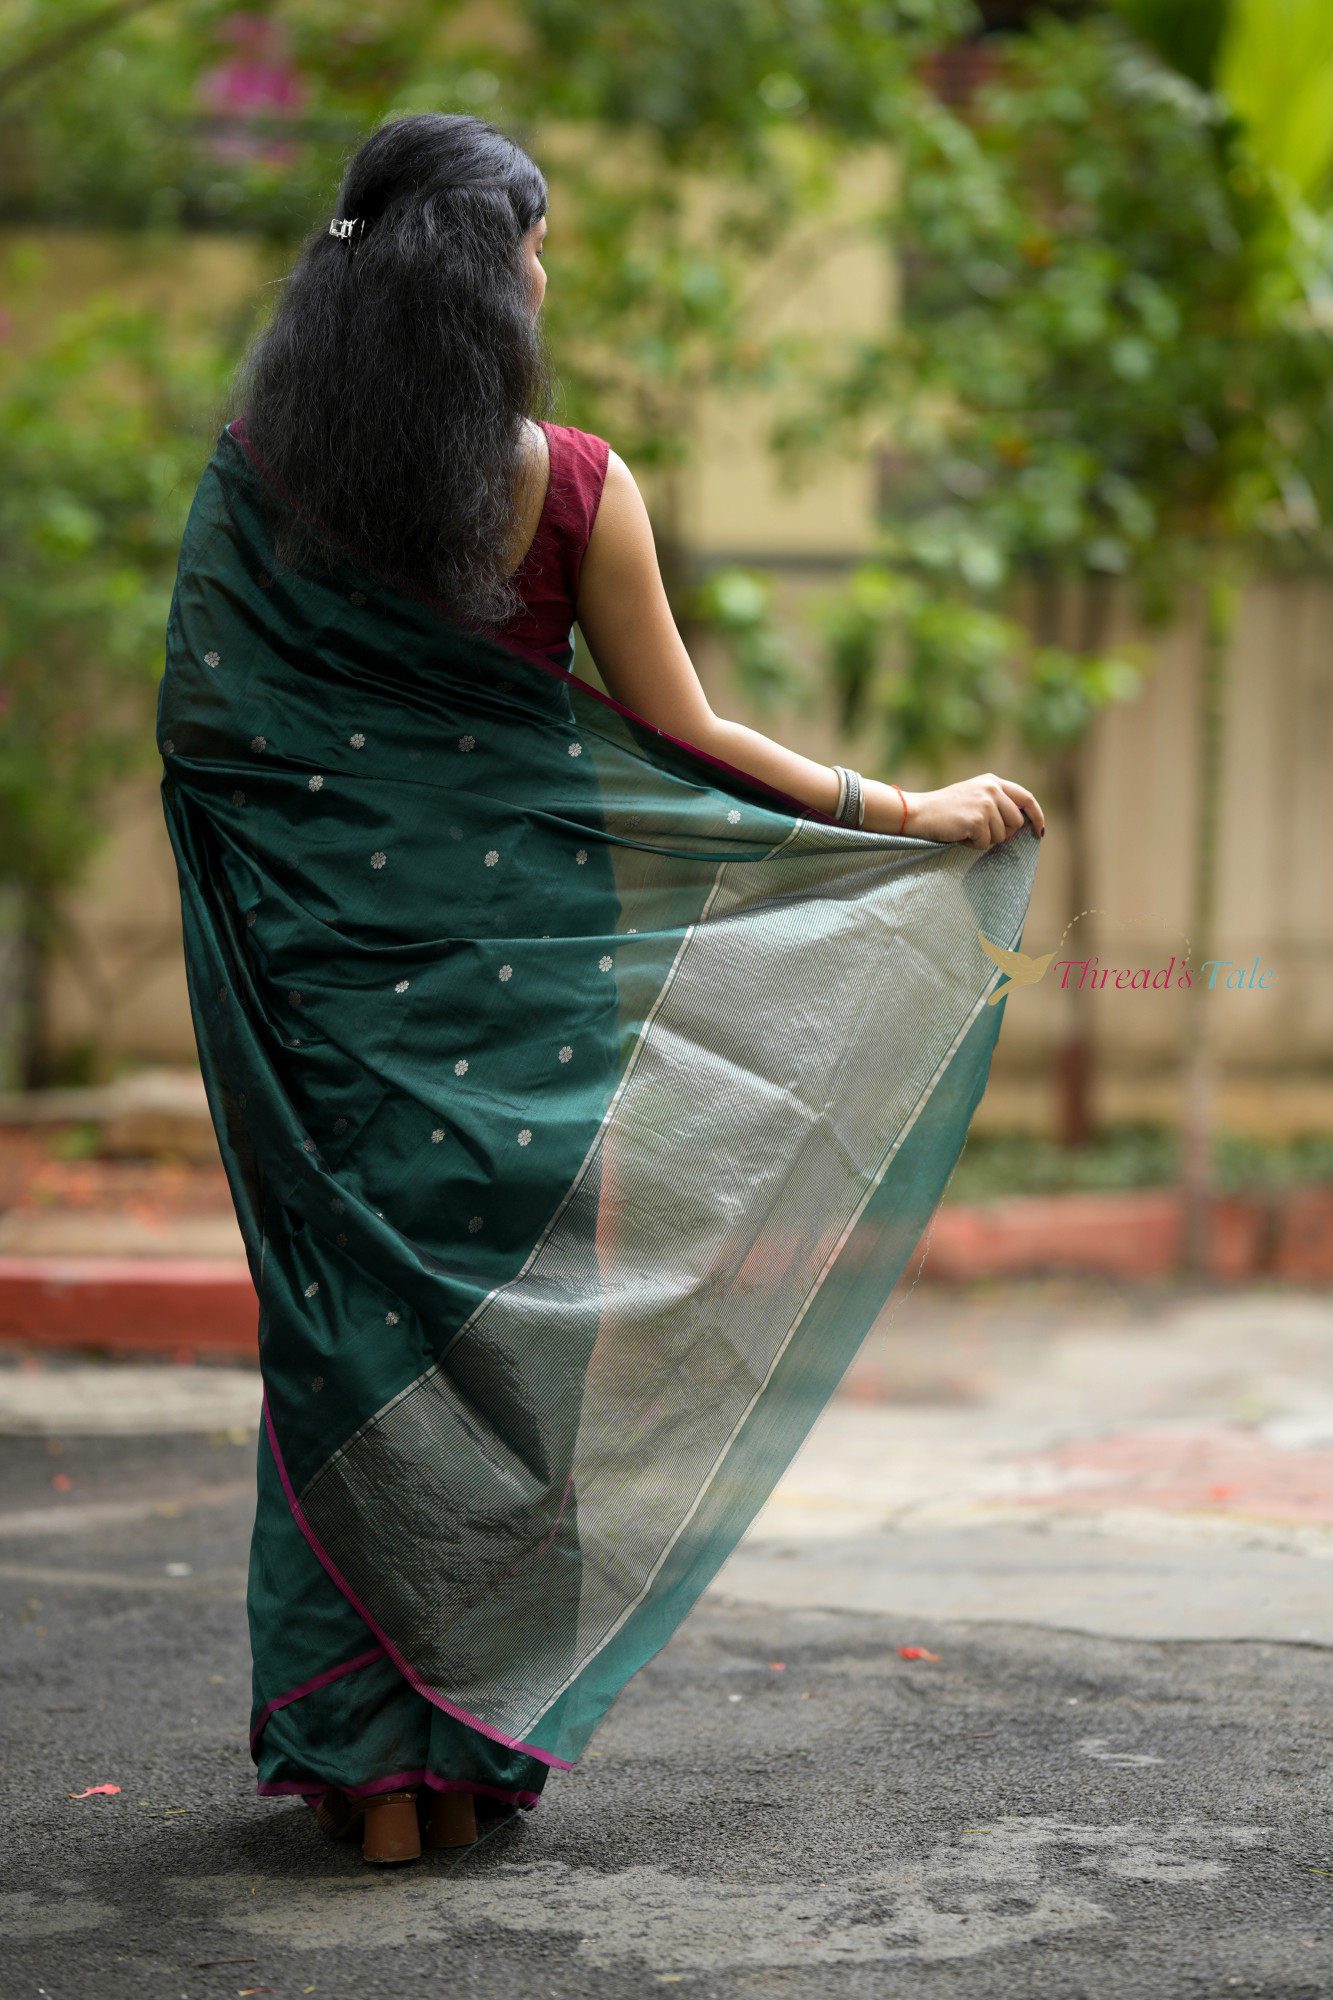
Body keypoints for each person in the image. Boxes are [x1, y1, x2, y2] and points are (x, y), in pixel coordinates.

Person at [159, 112, 1044, 1866]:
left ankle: (374, 1780)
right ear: (492, 283)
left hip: (332, 1003)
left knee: (349, 1342)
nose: (547, 273)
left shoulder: (261, 476)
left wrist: (289, 928)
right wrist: (905, 813)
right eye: (537, 245)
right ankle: (469, 1745)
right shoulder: (568, 483)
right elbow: (687, 737)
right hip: (527, 994)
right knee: (506, 1356)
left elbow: (210, 740)